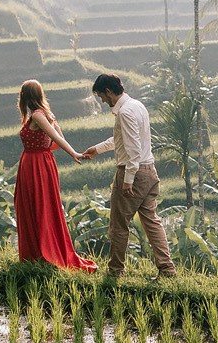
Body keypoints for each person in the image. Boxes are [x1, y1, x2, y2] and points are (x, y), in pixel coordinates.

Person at [75, 72, 177, 277]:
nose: (102, 101)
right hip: (149, 171)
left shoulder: (125, 113)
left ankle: (115, 271)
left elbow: (133, 150)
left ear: (109, 91)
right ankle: (167, 268)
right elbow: (123, 140)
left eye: (102, 96)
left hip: (134, 172)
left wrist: (128, 180)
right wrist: (98, 148)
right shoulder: (137, 106)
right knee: (151, 221)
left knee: (119, 225)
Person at [13, 80, 95, 270]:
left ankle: (42, 252)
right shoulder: (44, 115)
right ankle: (35, 253)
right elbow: (56, 138)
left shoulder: (38, 116)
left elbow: (57, 138)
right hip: (35, 163)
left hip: (37, 164)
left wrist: (73, 153)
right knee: (33, 205)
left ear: (24, 96)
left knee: (41, 206)